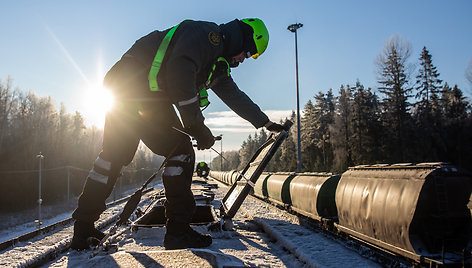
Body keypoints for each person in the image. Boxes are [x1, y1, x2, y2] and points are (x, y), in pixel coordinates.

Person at [70, 18, 285, 251]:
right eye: (249, 52)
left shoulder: (215, 59)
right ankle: (178, 232)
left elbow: (234, 95)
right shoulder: (207, 37)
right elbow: (179, 72)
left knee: (112, 156)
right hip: (140, 91)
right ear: (243, 38)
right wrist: (196, 126)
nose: (244, 59)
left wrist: (264, 122)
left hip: (122, 87)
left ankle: (82, 229)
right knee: (181, 151)